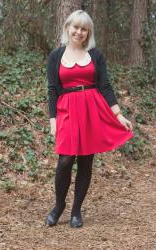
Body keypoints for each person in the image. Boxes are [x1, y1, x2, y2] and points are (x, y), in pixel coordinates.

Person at [45, 10, 133, 228]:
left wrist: (118, 114)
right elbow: (53, 90)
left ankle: (76, 211)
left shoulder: (96, 55)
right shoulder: (56, 56)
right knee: (65, 160)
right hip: (66, 110)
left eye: (84, 29)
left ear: (88, 32)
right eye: (76, 27)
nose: (79, 32)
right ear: (68, 27)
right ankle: (59, 206)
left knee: (86, 161)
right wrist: (53, 120)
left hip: (91, 110)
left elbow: (104, 86)